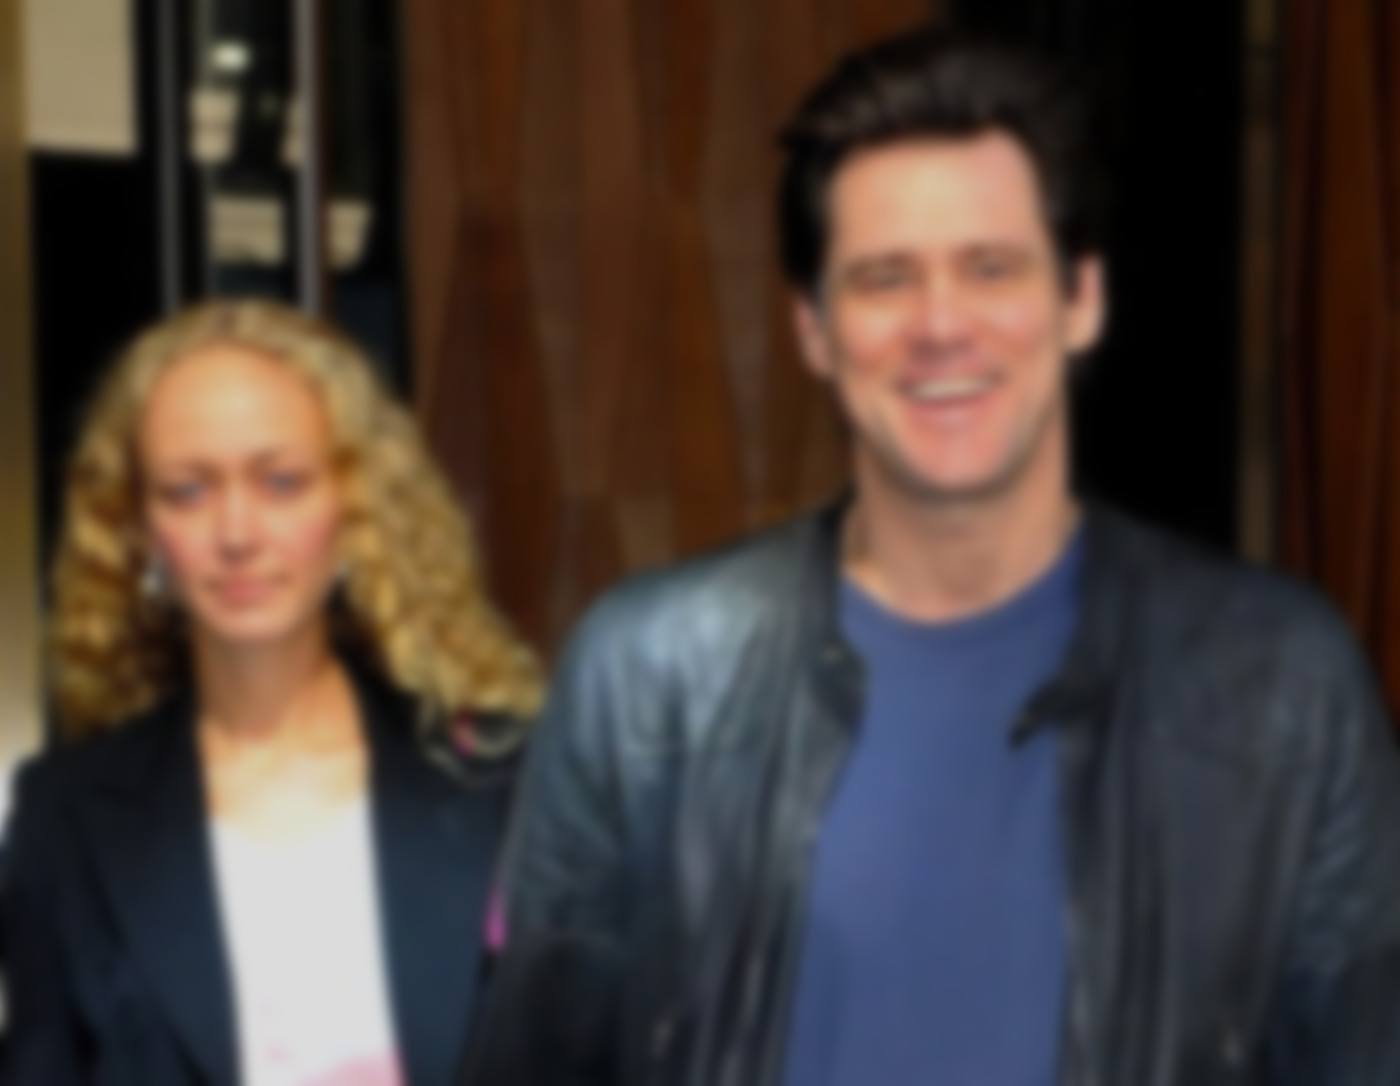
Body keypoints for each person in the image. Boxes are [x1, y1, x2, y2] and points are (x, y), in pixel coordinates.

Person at [471, 28, 1400, 1086]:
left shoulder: (1282, 688)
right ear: (813, 330)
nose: (941, 324)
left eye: (990, 268)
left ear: (1081, 298)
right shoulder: (643, 682)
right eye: (884, 280)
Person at [3, 300, 541, 1086]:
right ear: (139, 532)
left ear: (355, 507)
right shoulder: (67, 817)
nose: (237, 533)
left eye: (282, 482)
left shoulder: (503, 779)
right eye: (187, 491)